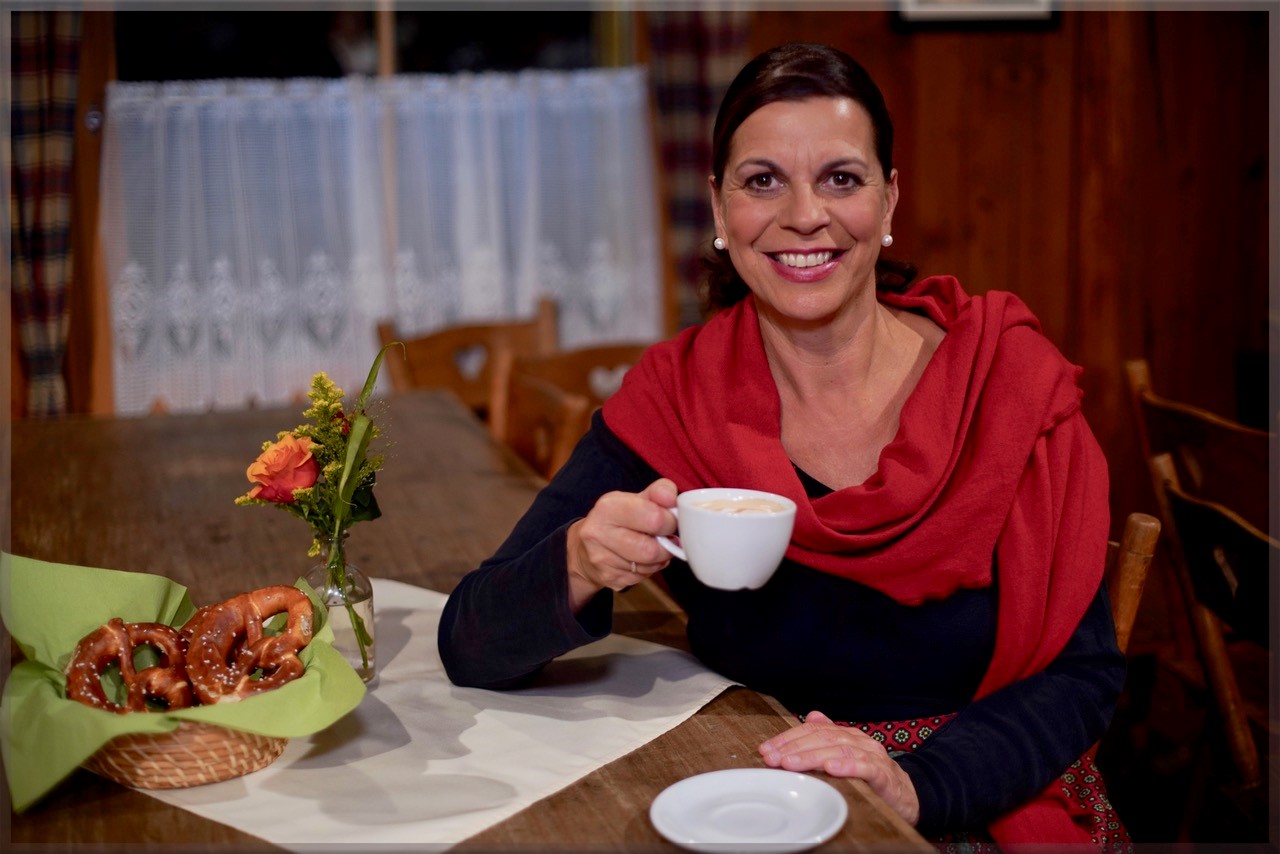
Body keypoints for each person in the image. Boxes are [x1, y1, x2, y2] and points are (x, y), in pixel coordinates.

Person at [438, 42, 1127, 846]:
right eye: (763, 181)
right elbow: (469, 642)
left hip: (974, 799)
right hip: (752, 795)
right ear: (719, 209)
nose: (804, 215)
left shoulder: (1007, 384)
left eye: (841, 178)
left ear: (889, 200)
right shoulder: (677, 398)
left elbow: (1083, 675)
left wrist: (917, 785)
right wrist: (583, 561)